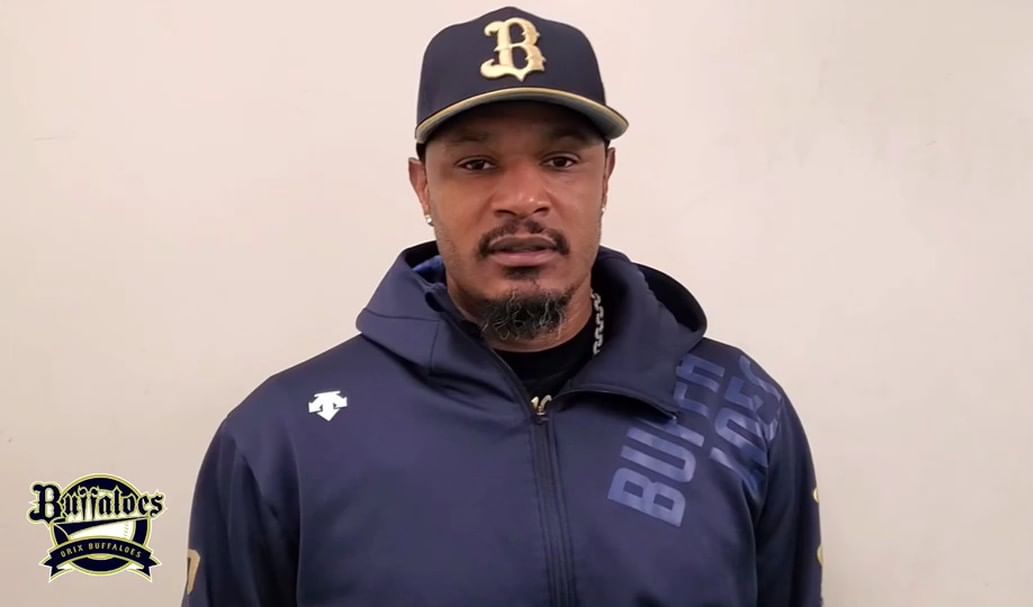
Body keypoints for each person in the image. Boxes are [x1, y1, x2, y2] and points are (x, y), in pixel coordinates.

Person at [182, 6, 823, 606]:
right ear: (422, 186)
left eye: (561, 160)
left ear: (606, 177)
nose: (522, 199)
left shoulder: (738, 408)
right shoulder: (282, 438)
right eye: (477, 163)